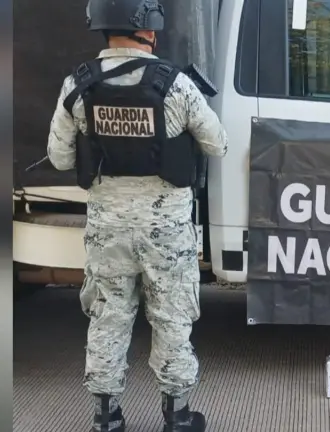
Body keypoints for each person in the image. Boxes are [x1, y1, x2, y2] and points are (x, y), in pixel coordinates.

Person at [46, 0, 228, 431]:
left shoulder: (79, 84)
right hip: (166, 230)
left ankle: (106, 417)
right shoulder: (176, 85)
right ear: (149, 28)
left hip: (107, 227)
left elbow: (58, 157)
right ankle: (177, 414)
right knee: (171, 315)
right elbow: (218, 144)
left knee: (108, 315)